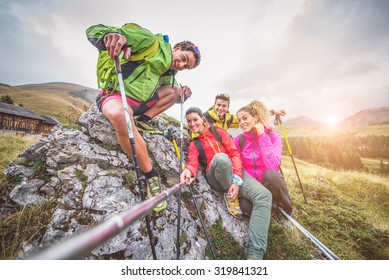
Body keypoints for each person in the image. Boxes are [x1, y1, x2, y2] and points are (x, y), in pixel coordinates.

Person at [86, 23, 201, 212]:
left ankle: (140, 122)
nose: (180, 65)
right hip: (115, 95)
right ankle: (150, 174)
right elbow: (94, 30)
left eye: (185, 66)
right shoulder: (149, 41)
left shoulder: (169, 73)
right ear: (177, 48)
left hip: (138, 104)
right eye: (183, 58)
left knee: (174, 91)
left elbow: (171, 95)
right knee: (120, 115)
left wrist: (183, 95)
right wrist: (110, 36)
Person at [180, 107, 272, 260]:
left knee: (264, 196)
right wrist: (188, 172)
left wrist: (237, 180)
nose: (192, 124)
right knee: (221, 158)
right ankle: (230, 196)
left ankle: (255, 255)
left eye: (195, 119)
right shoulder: (194, 143)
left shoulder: (219, 132)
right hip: (215, 177)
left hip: (234, 172)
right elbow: (192, 163)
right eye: (189, 121)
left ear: (202, 118)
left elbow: (234, 153)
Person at [234, 101, 293, 215]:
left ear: (256, 118)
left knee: (271, 175)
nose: (242, 122)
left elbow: (273, 165)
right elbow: (236, 164)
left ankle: (284, 209)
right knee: (245, 208)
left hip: (268, 182)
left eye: (245, 118)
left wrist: (262, 136)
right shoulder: (239, 140)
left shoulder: (273, 137)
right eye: (239, 120)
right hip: (253, 186)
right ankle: (269, 206)